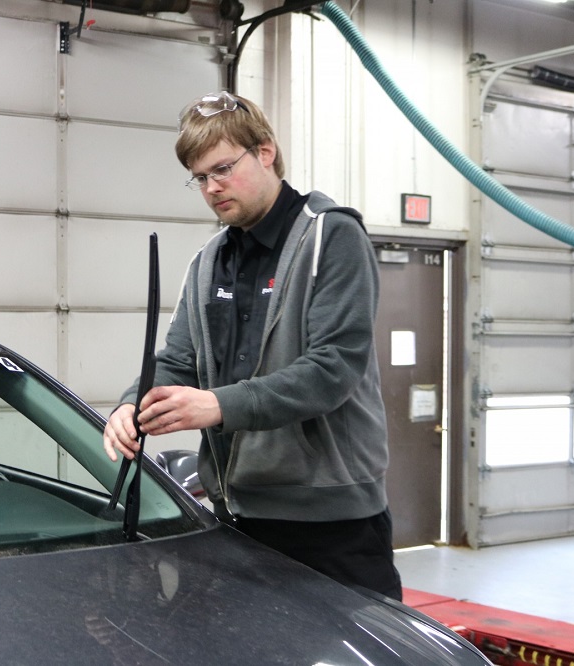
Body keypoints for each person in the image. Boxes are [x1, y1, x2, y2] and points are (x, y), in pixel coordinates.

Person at [102, 90, 402, 601]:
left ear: (265, 151)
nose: (212, 188)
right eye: (200, 178)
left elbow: (332, 369)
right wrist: (132, 405)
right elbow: (177, 361)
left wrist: (217, 405)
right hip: (237, 518)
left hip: (332, 526)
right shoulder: (209, 260)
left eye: (223, 169)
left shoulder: (332, 238)